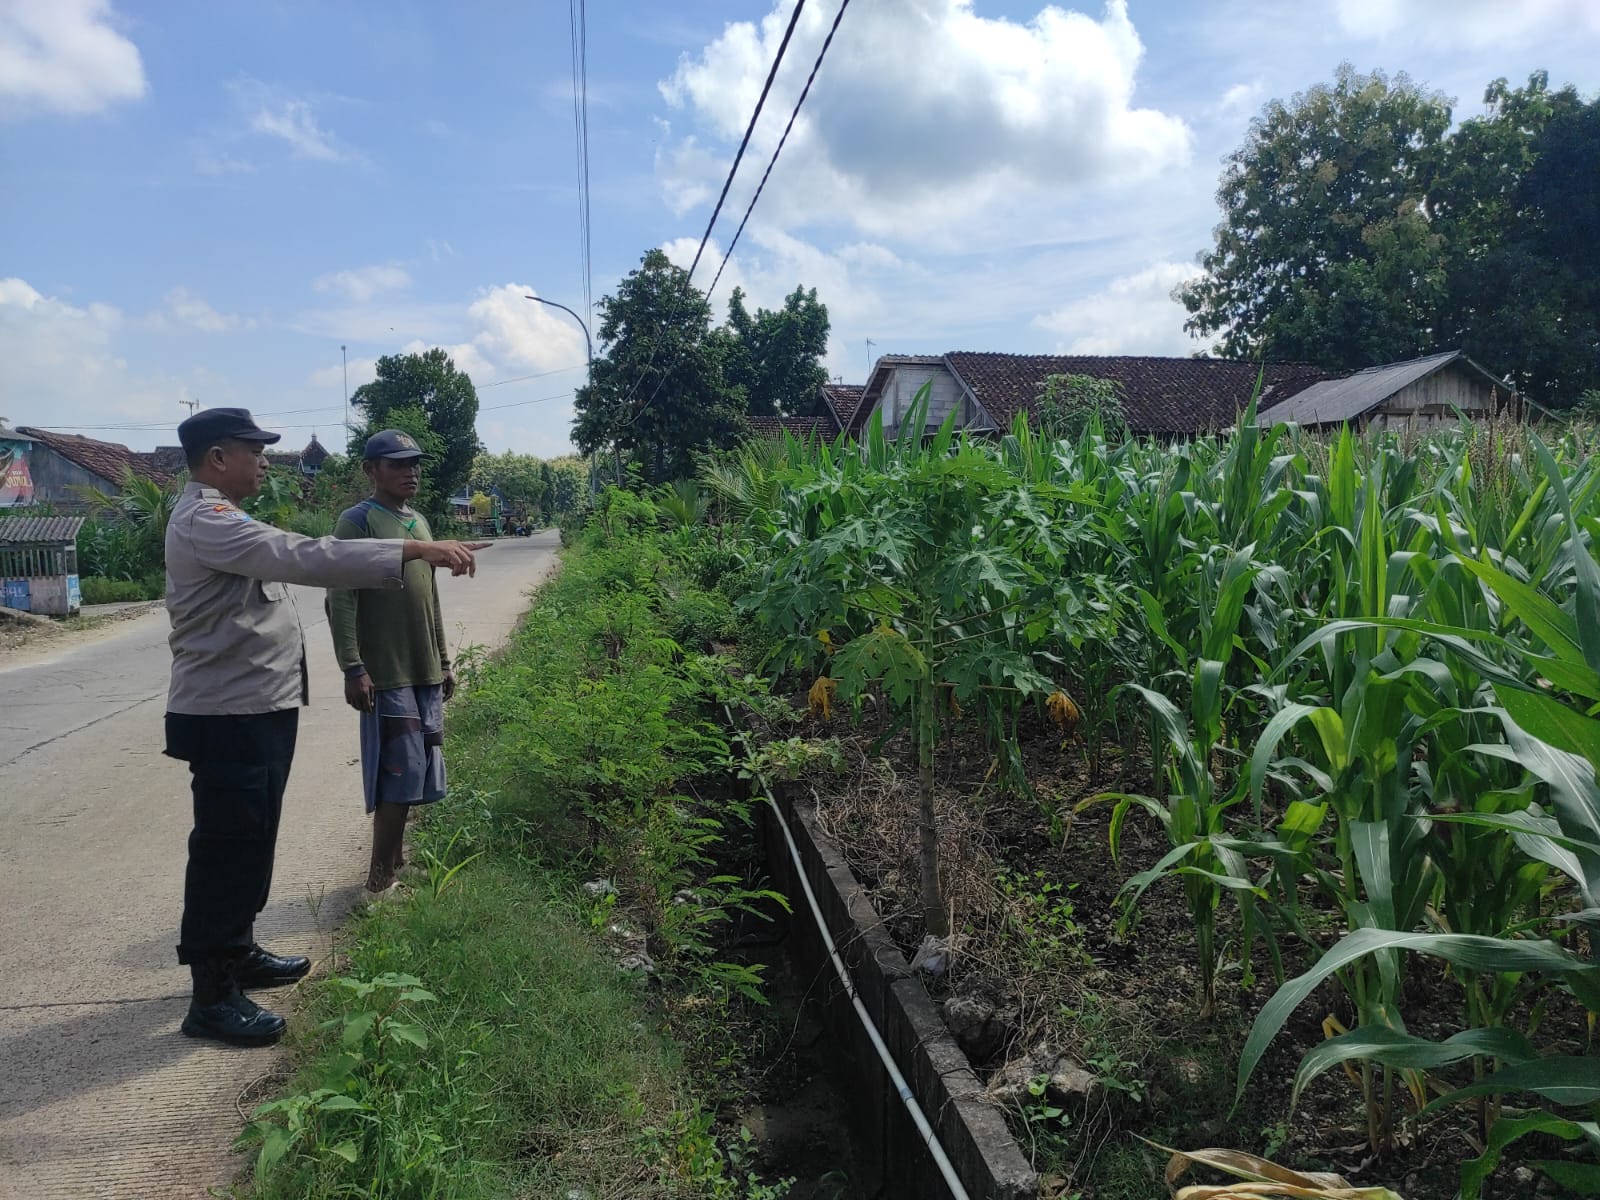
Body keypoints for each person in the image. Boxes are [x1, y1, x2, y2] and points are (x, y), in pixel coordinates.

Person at [164, 408, 487, 1047]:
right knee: (227, 850)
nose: (264, 462)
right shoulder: (207, 519)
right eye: (254, 451)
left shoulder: (228, 516)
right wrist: (413, 550)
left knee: (253, 839)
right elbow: (304, 555)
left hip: (255, 707)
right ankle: (212, 996)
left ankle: (239, 951)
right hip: (227, 713)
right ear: (218, 458)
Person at [326, 430, 457, 895]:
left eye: (414, 463)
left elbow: (429, 596)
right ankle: (378, 879)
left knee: (420, 770)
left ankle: (397, 860)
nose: (410, 472)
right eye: (397, 463)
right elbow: (340, 597)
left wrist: (443, 660)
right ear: (370, 470)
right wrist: (352, 666)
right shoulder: (357, 521)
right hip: (386, 672)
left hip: (423, 668)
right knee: (397, 774)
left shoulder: (419, 521)